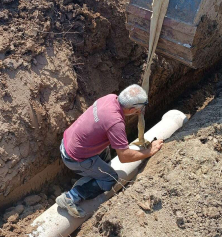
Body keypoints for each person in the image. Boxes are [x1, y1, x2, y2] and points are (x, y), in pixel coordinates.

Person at [56, 84, 164, 218]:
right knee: (110, 178)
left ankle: (93, 178)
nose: (140, 111)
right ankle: (71, 197)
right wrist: (150, 151)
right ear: (131, 109)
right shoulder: (115, 122)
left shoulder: (111, 98)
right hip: (75, 158)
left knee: (106, 150)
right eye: (139, 109)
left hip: (69, 143)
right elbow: (124, 157)